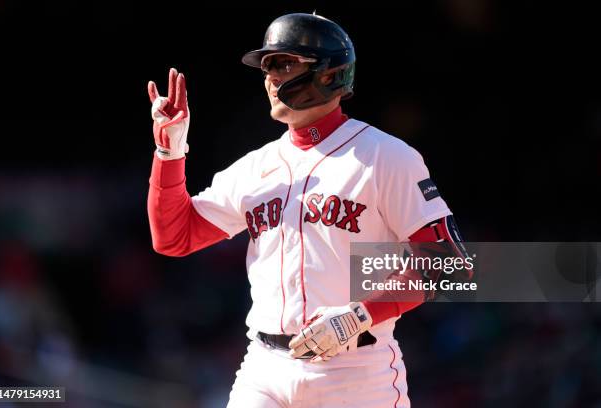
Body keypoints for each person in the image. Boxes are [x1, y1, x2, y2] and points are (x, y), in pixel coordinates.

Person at [147, 12, 469, 408]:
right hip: (264, 369)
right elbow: (174, 237)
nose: (270, 78)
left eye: (283, 64)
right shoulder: (255, 167)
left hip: (353, 370)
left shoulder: (385, 157)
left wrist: (360, 315)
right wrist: (169, 152)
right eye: (267, 67)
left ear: (328, 73)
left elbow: (449, 266)